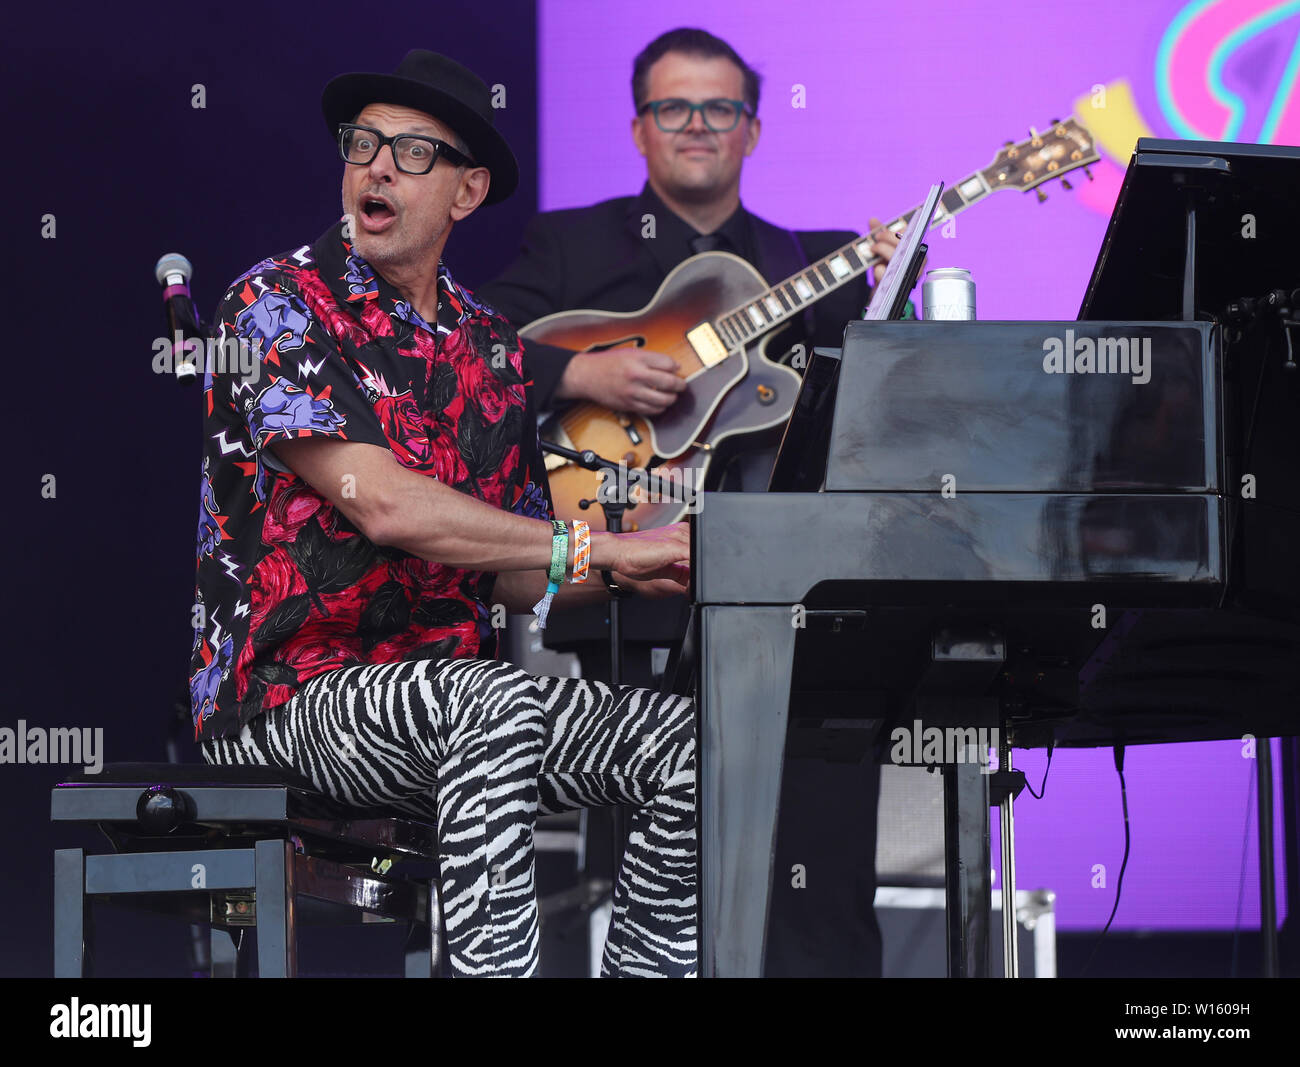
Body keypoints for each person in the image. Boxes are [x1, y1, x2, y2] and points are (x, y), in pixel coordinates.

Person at [187, 49, 696, 978]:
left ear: (466, 193)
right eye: (363, 144)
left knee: (685, 745)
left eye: (411, 153)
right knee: (492, 703)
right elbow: (383, 504)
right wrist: (596, 544)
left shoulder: (493, 349)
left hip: (454, 705)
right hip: (289, 698)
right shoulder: (273, 305)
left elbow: (511, 565)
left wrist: (648, 558)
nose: (376, 167)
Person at [479, 27, 904, 977]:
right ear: (639, 130)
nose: (698, 126)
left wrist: (893, 287)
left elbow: (883, 396)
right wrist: (584, 368)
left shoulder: (814, 260)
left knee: (822, 890)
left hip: (798, 616)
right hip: (632, 607)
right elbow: (469, 347)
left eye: (721, 108)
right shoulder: (572, 243)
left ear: (752, 131)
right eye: (674, 108)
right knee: (651, 892)